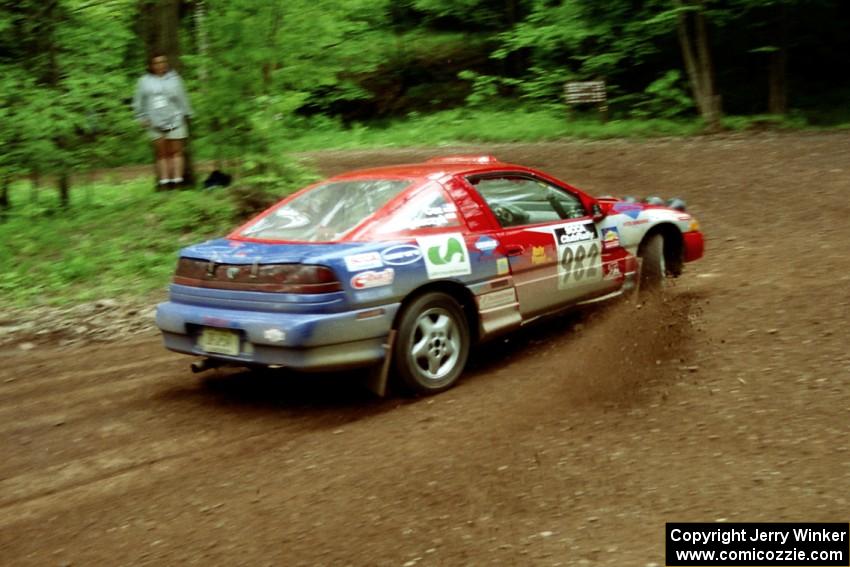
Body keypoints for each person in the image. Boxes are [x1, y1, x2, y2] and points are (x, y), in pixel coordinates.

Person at [132, 54, 193, 188]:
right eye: (157, 63)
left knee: (176, 151)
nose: (160, 65)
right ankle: (165, 182)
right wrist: (140, 117)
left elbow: (183, 98)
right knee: (161, 153)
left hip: (174, 119)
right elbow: (138, 101)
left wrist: (187, 113)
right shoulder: (144, 81)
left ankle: (177, 181)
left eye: (163, 62)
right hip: (154, 122)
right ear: (151, 65)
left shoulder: (175, 79)